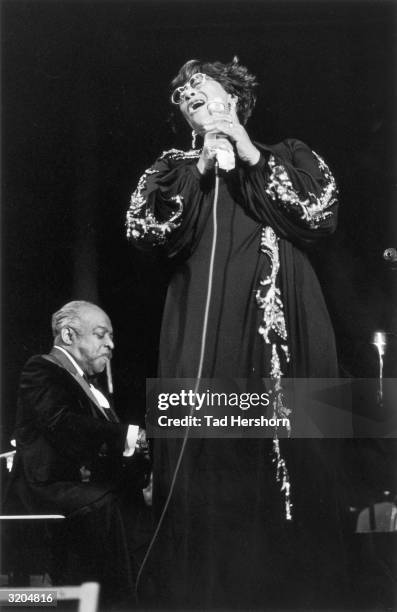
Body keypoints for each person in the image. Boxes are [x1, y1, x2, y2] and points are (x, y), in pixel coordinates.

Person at [126, 58, 345, 609]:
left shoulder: (288, 154)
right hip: (200, 325)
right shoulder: (171, 169)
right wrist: (200, 169)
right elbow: (145, 232)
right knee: (206, 443)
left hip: (277, 327)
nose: (187, 93)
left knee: (286, 443)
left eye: (200, 85)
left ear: (236, 97)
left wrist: (248, 153)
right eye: (180, 93)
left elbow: (320, 213)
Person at [6, 300, 150, 607]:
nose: (111, 344)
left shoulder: (92, 385)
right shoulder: (42, 368)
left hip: (78, 484)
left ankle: (139, 597)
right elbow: (61, 422)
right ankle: (112, 604)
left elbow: (106, 440)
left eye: (111, 337)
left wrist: (139, 459)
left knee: (137, 498)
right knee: (106, 502)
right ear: (69, 336)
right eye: (101, 334)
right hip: (45, 487)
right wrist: (126, 435)